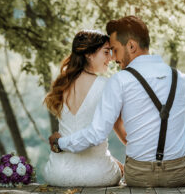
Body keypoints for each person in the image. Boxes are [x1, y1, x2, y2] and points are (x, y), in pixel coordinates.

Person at [48, 16, 185, 187]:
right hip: (178, 175)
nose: (114, 58)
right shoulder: (180, 78)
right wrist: (173, 138)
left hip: (137, 176)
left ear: (131, 46)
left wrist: (61, 142)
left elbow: (97, 133)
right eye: (108, 51)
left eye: (115, 50)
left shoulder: (119, 81)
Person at [43, 30, 125, 187]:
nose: (111, 58)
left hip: (57, 173)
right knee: (118, 169)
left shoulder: (61, 85)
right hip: (97, 175)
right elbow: (100, 135)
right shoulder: (106, 85)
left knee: (113, 163)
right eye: (106, 52)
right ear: (88, 54)